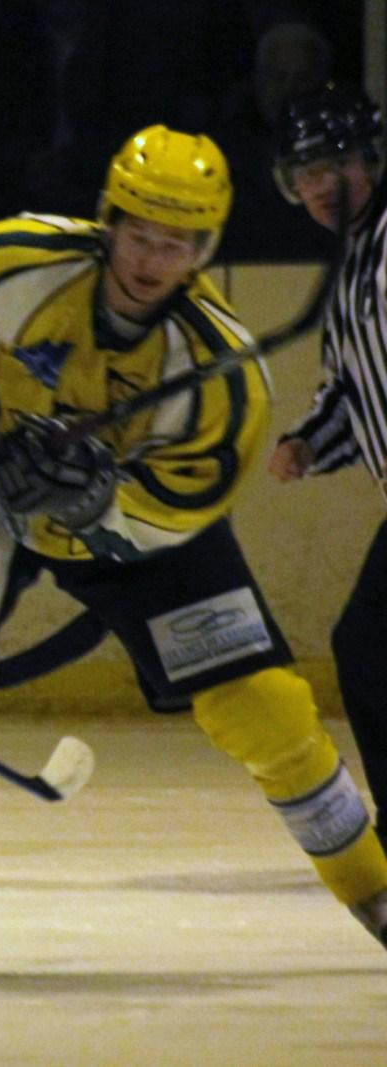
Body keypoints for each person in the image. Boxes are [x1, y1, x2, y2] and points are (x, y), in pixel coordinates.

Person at [0, 123, 387, 973]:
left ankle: (373, 888)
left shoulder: (223, 373)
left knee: (266, 710)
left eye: (177, 243)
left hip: (126, 526)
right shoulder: (13, 262)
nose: (151, 260)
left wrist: (91, 496)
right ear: (109, 220)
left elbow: (177, 512)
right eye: (140, 234)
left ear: (204, 249)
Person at [267, 82, 387, 848]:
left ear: (369, 159)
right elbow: (351, 390)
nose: (316, 186)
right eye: (303, 173)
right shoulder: (351, 267)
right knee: (367, 644)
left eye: (331, 165)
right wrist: (309, 441)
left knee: (369, 644)